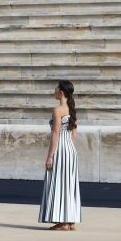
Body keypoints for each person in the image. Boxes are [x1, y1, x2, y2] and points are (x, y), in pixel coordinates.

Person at [38, 80, 81, 231]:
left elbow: (55, 134)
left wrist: (50, 156)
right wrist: (69, 150)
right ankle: (70, 221)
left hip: (60, 148)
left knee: (59, 183)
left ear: (61, 92)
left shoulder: (58, 110)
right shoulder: (72, 109)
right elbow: (74, 135)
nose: (54, 90)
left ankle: (63, 222)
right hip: (70, 149)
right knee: (69, 184)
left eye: (56, 88)